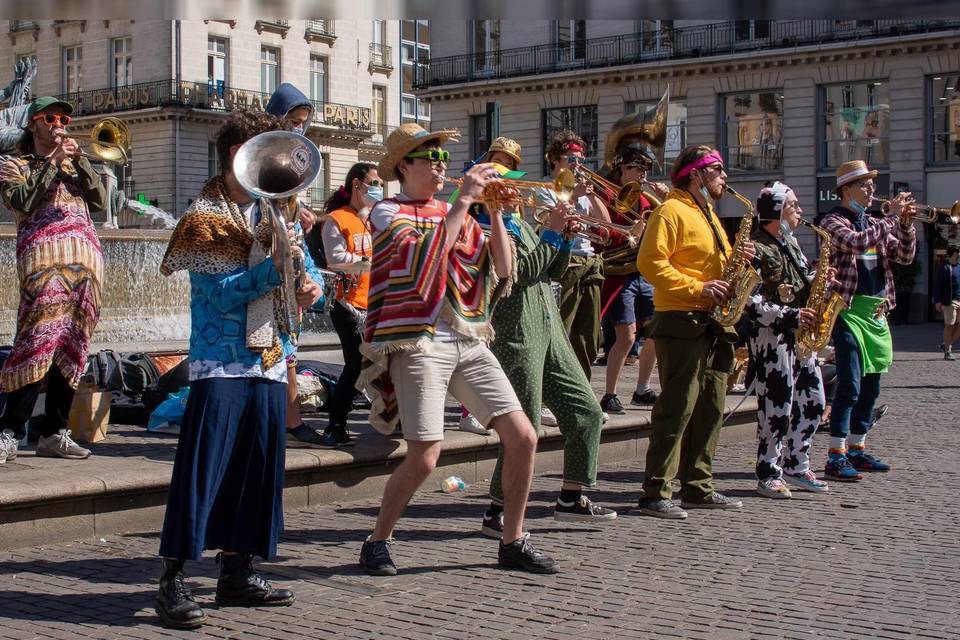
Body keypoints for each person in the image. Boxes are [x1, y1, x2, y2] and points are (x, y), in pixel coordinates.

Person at [356, 123, 556, 576]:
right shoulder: (387, 211)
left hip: (466, 334)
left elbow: (505, 270)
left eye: (444, 160)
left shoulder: (461, 213)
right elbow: (422, 257)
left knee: (524, 436)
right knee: (426, 455)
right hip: (418, 339)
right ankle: (377, 540)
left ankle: (513, 539)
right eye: (430, 159)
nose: (440, 167)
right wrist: (464, 200)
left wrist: (498, 212)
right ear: (404, 166)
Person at [153, 109, 322, 629]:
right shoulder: (203, 218)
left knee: (258, 468)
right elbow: (217, 297)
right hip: (221, 360)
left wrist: (312, 286)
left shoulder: (281, 214)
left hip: (270, 359)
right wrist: (271, 273)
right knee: (205, 470)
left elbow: (307, 276)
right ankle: (173, 578)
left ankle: (238, 571)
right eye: (265, 148)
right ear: (237, 154)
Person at [472, 136, 615, 536]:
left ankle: (571, 496)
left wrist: (566, 236)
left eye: (516, 176)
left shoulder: (524, 221)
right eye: (505, 178)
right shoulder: (487, 225)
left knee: (586, 409)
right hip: (517, 332)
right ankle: (496, 510)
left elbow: (553, 271)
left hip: (548, 324)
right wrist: (553, 231)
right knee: (527, 426)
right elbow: (523, 273)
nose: (517, 188)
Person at [635, 144, 754, 519]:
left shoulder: (707, 214)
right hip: (681, 318)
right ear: (696, 174)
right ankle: (656, 490)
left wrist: (737, 258)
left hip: (714, 322)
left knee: (711, 407)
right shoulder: (670, 211)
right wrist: (698, 288)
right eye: (717, 170)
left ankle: (698, 486)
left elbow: (709, 263)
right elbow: (650, 263)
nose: (724, 177)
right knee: (678, 407)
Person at [0, 97, 106, 463]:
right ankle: (9, 431)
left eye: (63, 118)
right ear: (33, 124)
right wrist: (52, 164)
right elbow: (23, 201)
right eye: (51, 118)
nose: (59, 123)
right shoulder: (15, 165)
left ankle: (54, 431)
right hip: (43, 261)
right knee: (36, 341)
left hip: (86, 266)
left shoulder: (75, 165)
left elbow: (101, 202)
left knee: (72, 346)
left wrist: (80, 163)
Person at [821, 160, 915, 481]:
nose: (872, 188)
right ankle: (835, 455)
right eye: (864, 184)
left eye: (871, 184)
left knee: (872, 386)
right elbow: (856, 242)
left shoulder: (875, 222)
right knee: (850, 384)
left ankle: (857, 448)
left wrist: (904, 223)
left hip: (876, 312)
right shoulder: (833, 219)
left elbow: (903, 256)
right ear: (847, 189)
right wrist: (889, 219)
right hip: (848, 311)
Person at [746, 182, 829, 499]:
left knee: (814, 402)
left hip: (801, 336)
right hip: (772, 336)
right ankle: (768, 471)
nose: (800, 211)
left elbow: (804, 280)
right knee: (777, 405)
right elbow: (750, 303)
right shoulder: (756, 248)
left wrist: (821, 278)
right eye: (794, 205)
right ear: (777, 211)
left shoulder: (791, 243)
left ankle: (797, 463)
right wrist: (790, 316)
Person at [265, 82, 329, 448]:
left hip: (287, 249)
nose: (299, 129)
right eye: (294, 120)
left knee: (289, 344)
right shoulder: (264, 149)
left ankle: (289, 419)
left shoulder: (293, 153)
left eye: (303, 122)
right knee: (283, 350)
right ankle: (291, 420)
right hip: (269, 255)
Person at [597, 142, 668, 414]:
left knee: (654, 332)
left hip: (642, 272)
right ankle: (609, 394)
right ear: (622, 168)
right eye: (636, 170)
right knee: (626, 337)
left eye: (644, 171)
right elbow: (603, 232)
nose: (642, 176)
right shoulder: (607, 194)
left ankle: (642, 389)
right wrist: (630, 230)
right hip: (619, 274)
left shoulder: (647, 200)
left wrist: (668, 202)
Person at [535, 130, 610, 380]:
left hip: (589, 262)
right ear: (555, 159)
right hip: (564, 264)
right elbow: (547, 224)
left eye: (581, 160)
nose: (578, 165)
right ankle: (553, 388)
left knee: (589, 336)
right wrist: (571, 195)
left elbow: (605, 224)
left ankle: (583, 386)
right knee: (562, 329)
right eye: (571, 159)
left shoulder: (583, 191)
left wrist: (590, 195)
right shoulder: (545, 188)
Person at [318, 162, 380, 445]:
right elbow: (335, 259)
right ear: (357, 184)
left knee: (383, 361)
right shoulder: (336, 219)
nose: (377, 189)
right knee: (355, 362)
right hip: (347, 304)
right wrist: (371, 262)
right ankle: (336, 424)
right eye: (373, 183)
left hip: (375, 301)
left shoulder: (373, 218)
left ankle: (391, 416)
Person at [934, 246, 960, 361]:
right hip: (950, 300)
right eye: (958, 253)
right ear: (953, 254)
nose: (959, 255)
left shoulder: (959, 267)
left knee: (958, 326)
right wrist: (937, 301)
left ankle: (946, 344)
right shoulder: (944, 268)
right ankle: (948, 351)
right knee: (950, 325)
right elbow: (937, 285)